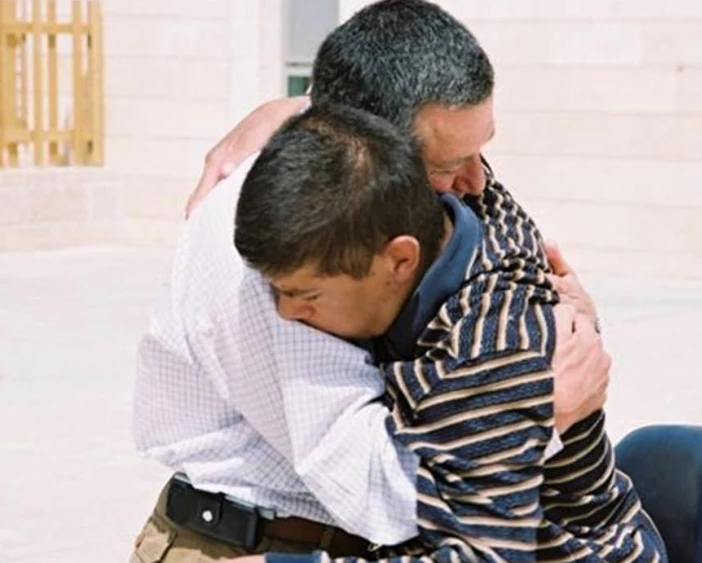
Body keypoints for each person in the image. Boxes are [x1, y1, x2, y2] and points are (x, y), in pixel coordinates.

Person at [131, 1, 620, 561]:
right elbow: (373, 488)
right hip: (250, 544)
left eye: (481, 149)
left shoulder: (423, 196)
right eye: (447, 164)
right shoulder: (300, 244)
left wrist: (562, 331)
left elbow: (528, 305)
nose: (478, 180)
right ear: (374, 150)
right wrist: (531, 410)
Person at [226, 103, 665, 563]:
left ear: (400, 260)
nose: (286, 312)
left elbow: (485, 556)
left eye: (307, 294)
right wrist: (273, 114)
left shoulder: (485, 351)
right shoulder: (457, 215)